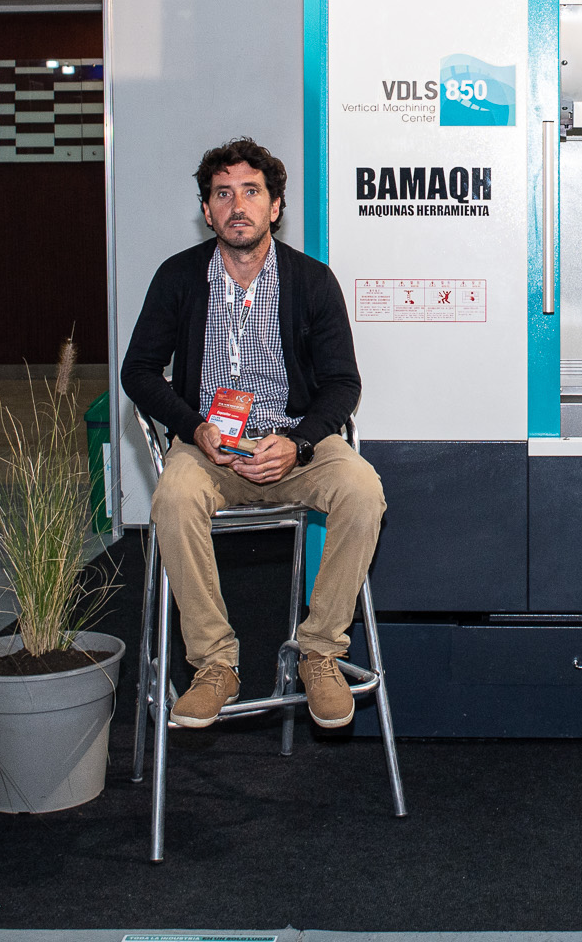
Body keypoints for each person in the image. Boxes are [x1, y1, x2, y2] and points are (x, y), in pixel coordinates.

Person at [121, 137, 384, 729]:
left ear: (275, 205)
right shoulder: (178, 277)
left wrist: (299, 443)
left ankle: (320, 652)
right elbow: (137, 371)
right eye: (223, 194)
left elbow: (342, 383)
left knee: (363, 490)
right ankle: (215, 664)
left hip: (293, 445)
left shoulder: (312, 281)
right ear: (206, 209)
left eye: (251, 192)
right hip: (211, 449)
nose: (237, 205)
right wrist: (193, 427)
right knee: (173, 498)